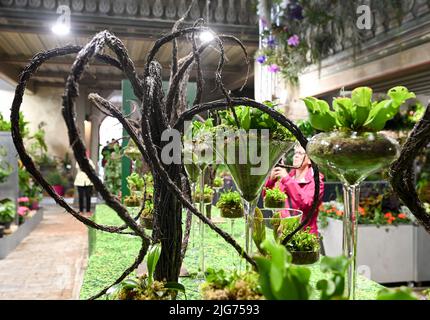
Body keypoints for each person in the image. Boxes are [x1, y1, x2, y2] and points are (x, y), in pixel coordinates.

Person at [264, 144, 324, 235]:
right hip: (283, 233)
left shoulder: (316, 180)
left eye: (300, 153)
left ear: (310, 160)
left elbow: (307, 204)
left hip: (304, 237)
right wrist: (270, 181)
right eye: (295, 152)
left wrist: (286, 179)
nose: (296, 155)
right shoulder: (288, 177)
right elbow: (268, 200)